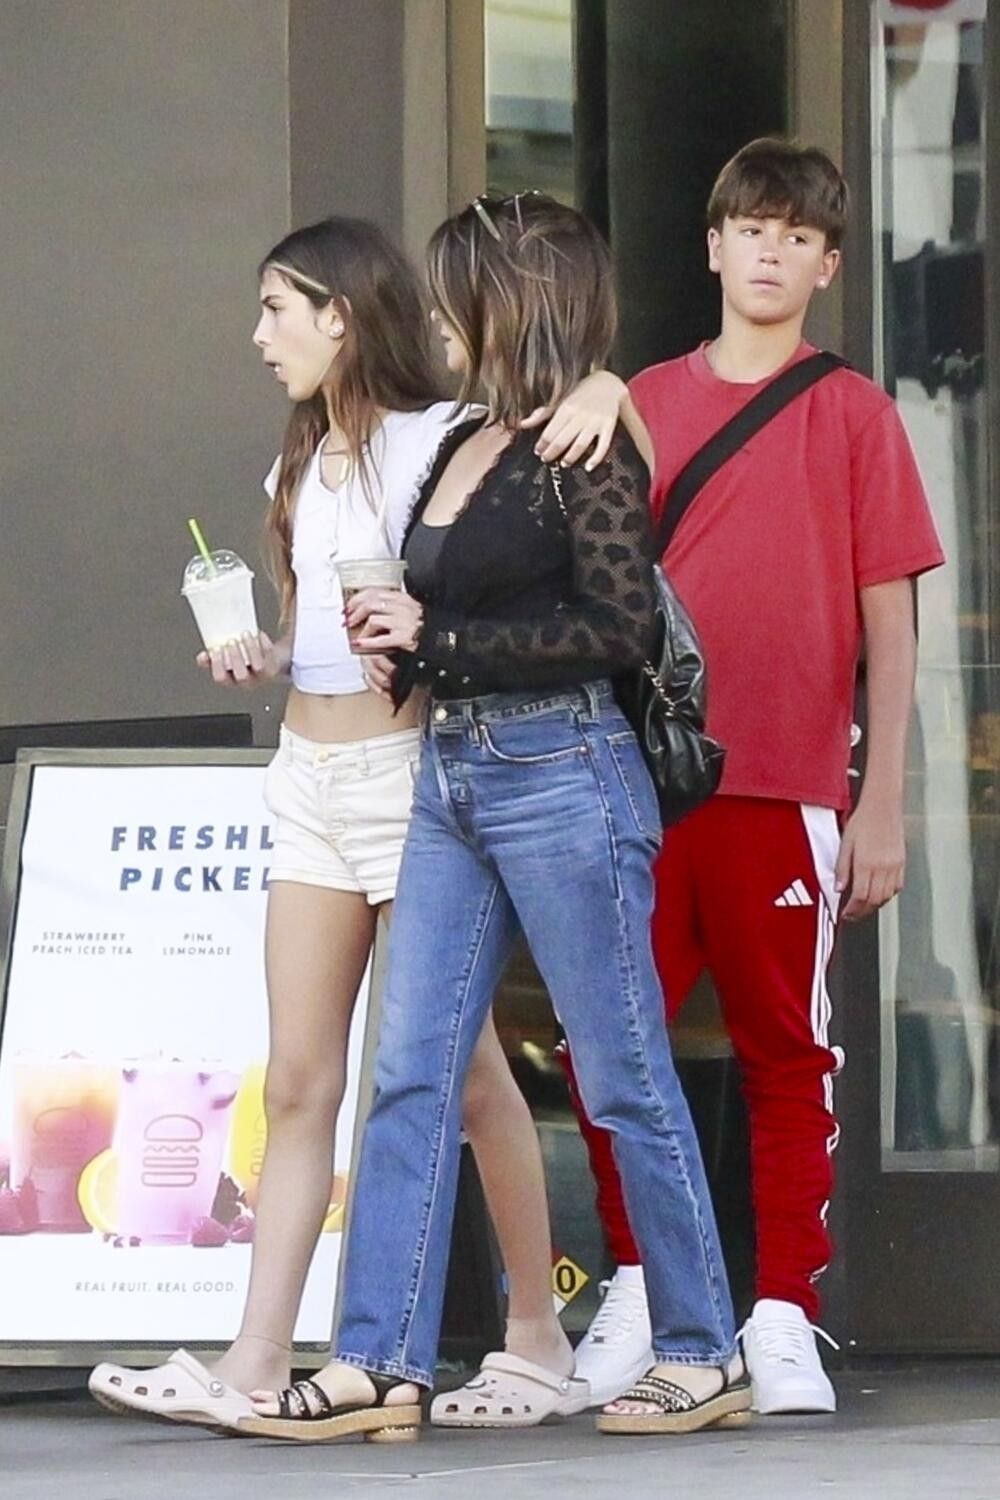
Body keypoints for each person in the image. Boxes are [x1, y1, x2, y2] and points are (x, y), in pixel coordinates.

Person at [87, 215, 627, 1431]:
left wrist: (607, 383)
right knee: (299, 1078)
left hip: (407, 777)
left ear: (342, 315)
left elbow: (574, 421)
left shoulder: (440, 438)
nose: (259, 335)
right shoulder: (296, 462)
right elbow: (318, 635)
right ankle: (255, 1360)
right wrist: (265, 653)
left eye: (278, 309)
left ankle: (538, 1333)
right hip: (306, 779)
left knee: (466, 1075)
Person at [243, 190, 747, 1447]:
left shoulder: (586, 441)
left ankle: (702, 1348)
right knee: (408, 1072)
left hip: (563, 769)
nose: (435, 311)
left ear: (508, 297)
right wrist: (402, 645)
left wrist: (443, 637)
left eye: (454, 285)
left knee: (619, 1074)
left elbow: (616, 627)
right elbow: (439, 603)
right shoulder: (463, 439)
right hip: (450, 775)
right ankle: (378, 1359)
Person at [562, 138, 945, 1415]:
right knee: (608, 1045)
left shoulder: (856, 413)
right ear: (712, 245)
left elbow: (891, 623)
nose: (771, 252)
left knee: (789, 1051)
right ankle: (639, 1292)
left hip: (788, 783)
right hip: (639, 784)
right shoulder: (637, 401)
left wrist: (880, 800)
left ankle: (783, 1309)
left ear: (828, 266)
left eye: (797, 236)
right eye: (752, 229)